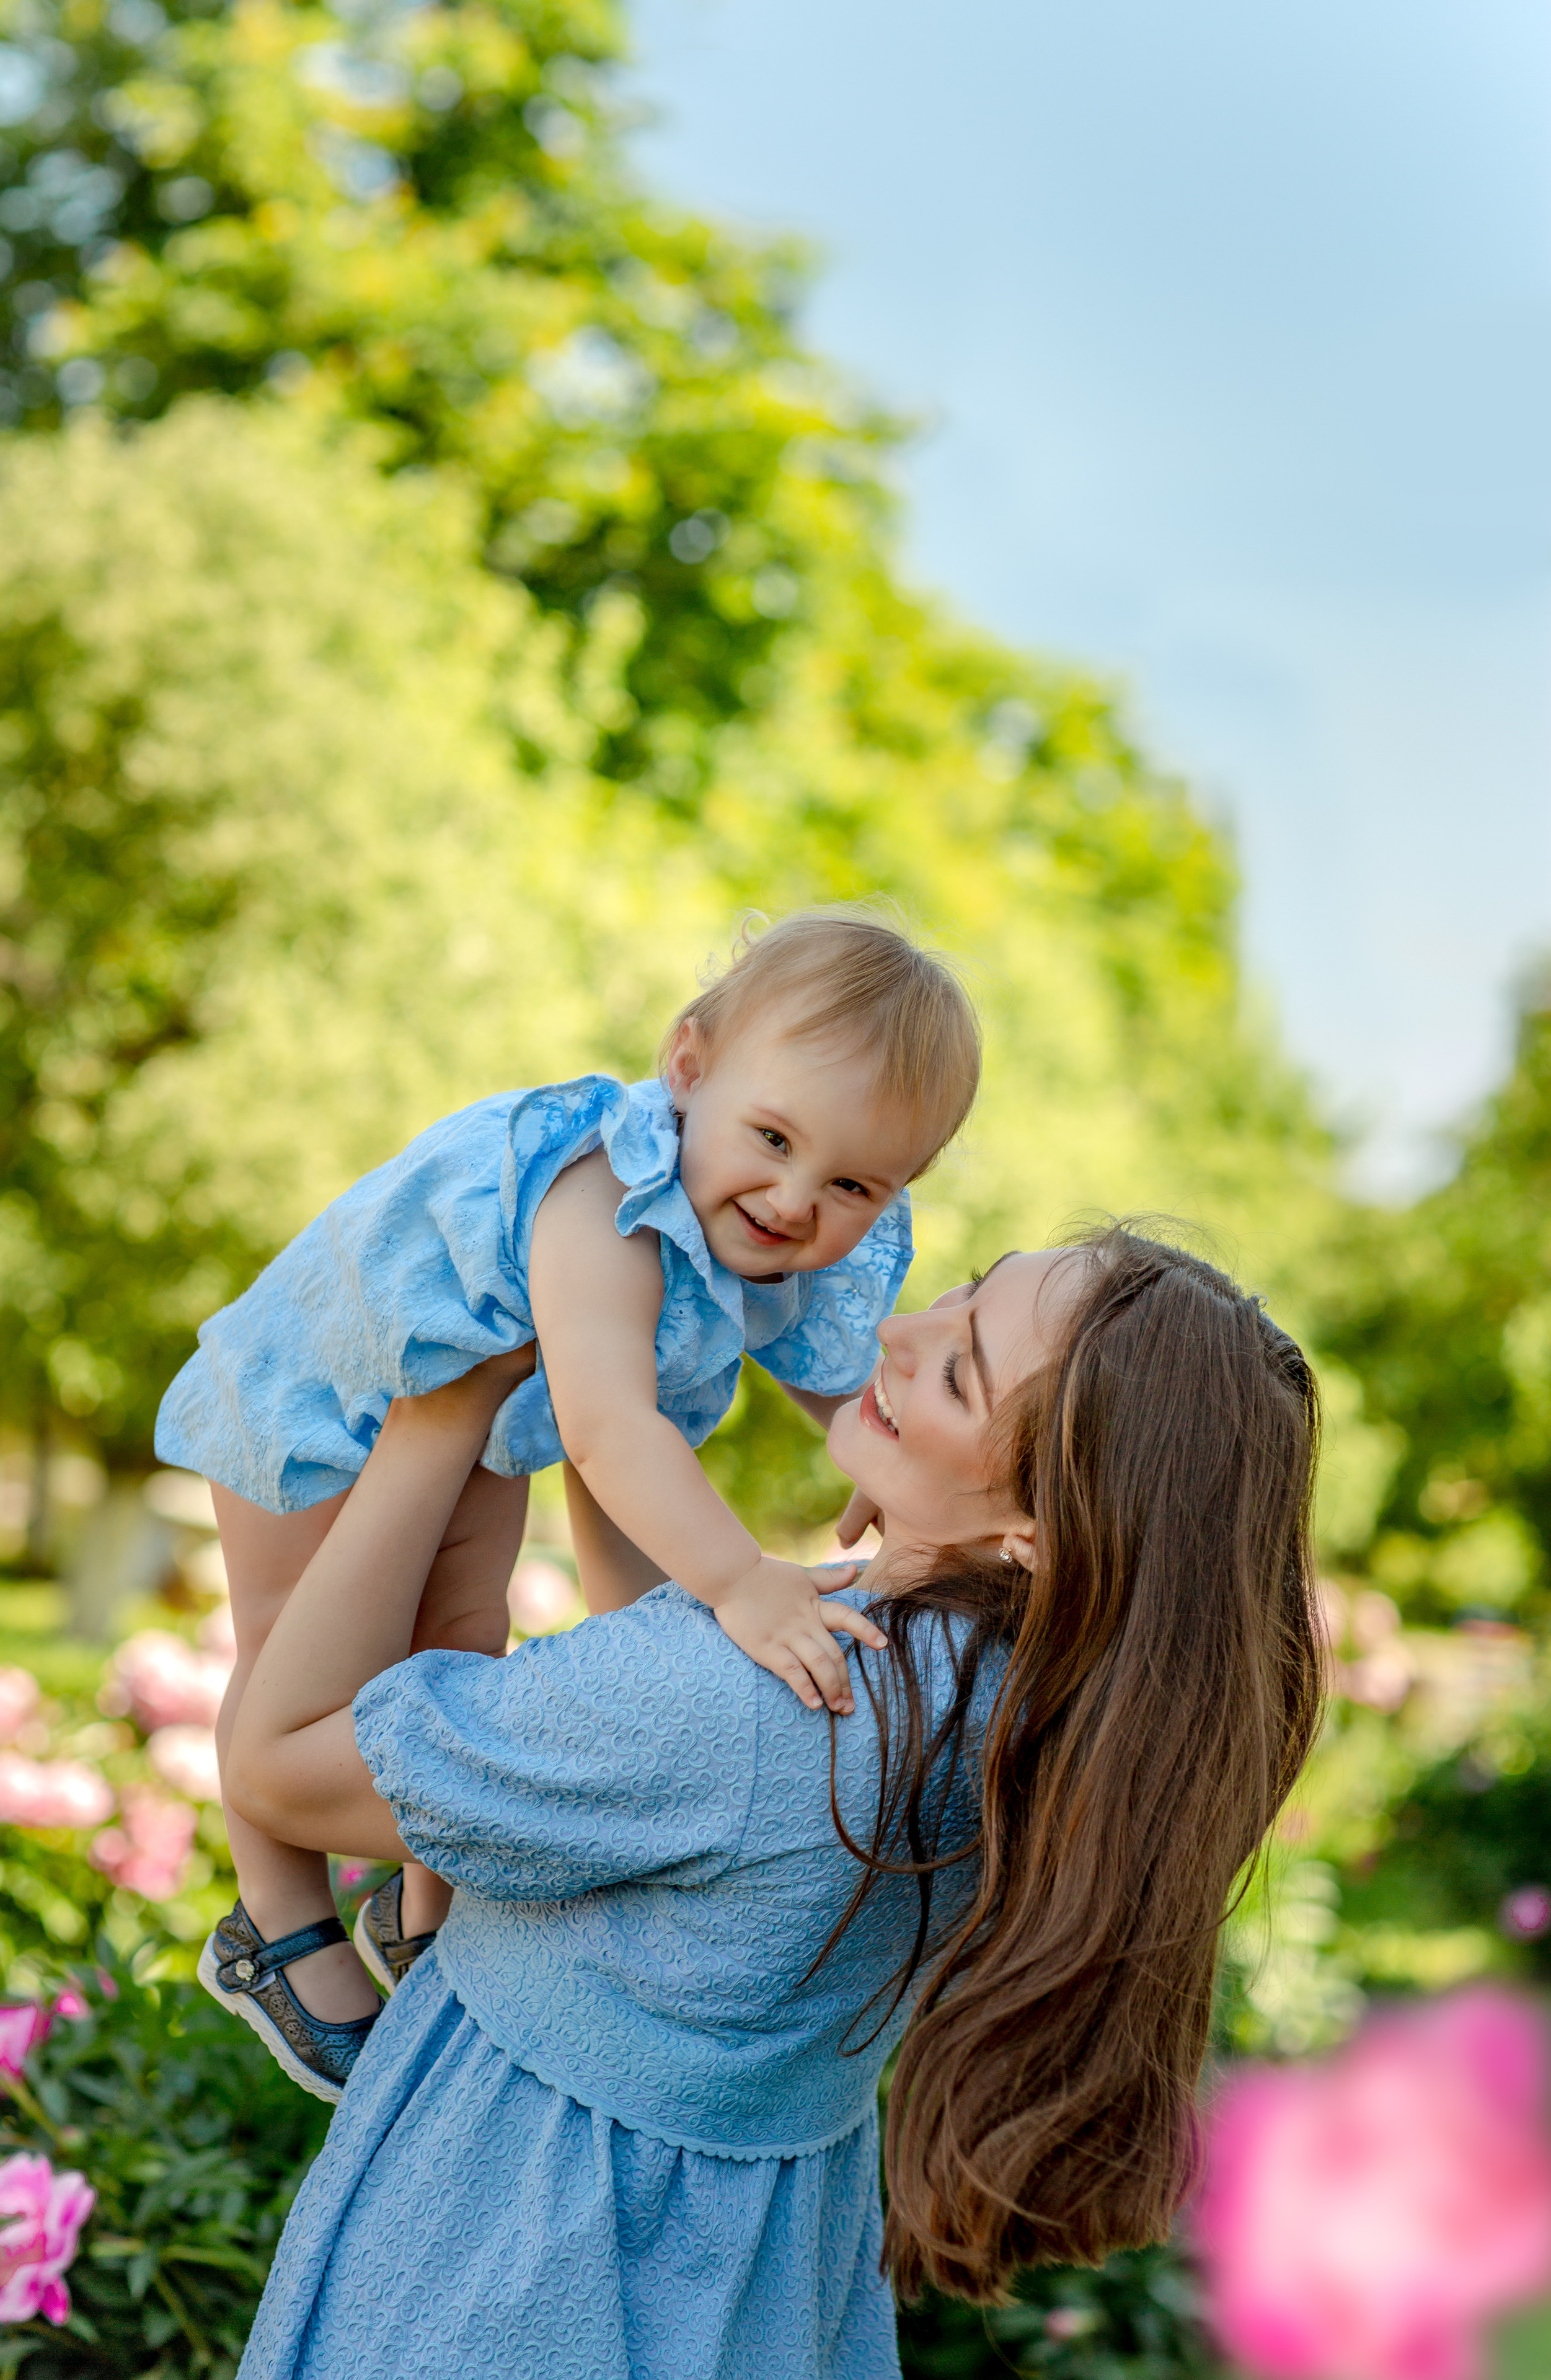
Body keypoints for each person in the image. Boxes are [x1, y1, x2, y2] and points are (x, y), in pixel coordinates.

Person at [227, 1227, 1323, 2380]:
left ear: (1040, 1530)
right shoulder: (1022, 1709)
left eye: (958, 1373)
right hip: (746, 2300)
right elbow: (670, 1744)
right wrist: (623, 1409)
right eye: (963, 1292)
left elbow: (281, 1766)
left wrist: (441, 1416)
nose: (898, 1331)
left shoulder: (768, 1701)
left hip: (504, 2273)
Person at [156, 911, 981, 2096]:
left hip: (474, 1414)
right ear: (688, 1068)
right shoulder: (606, 1197)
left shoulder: (769, 1221)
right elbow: (608, 1429)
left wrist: (888, 1458)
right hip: (323, 1381)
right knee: (296, 1642)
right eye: (772, 1138)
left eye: (850, 1182)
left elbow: (833, 1377)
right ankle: (276, 1925)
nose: (795, 1198)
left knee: (460, 1640)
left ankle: (419, 1911)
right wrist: (741, 1581)